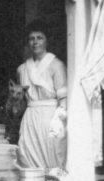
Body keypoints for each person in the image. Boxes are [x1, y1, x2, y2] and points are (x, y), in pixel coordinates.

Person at [16, 20, 68, 169]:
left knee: (52, 156)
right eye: (32, 38)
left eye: (39, 38)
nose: (35, 42)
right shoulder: (22, 69)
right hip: (30, 117)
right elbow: (21, 100)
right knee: (27, 156)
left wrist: (58, 121)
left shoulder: (56, 65)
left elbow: (63, 98)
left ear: (47, 41)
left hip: (51, 117)